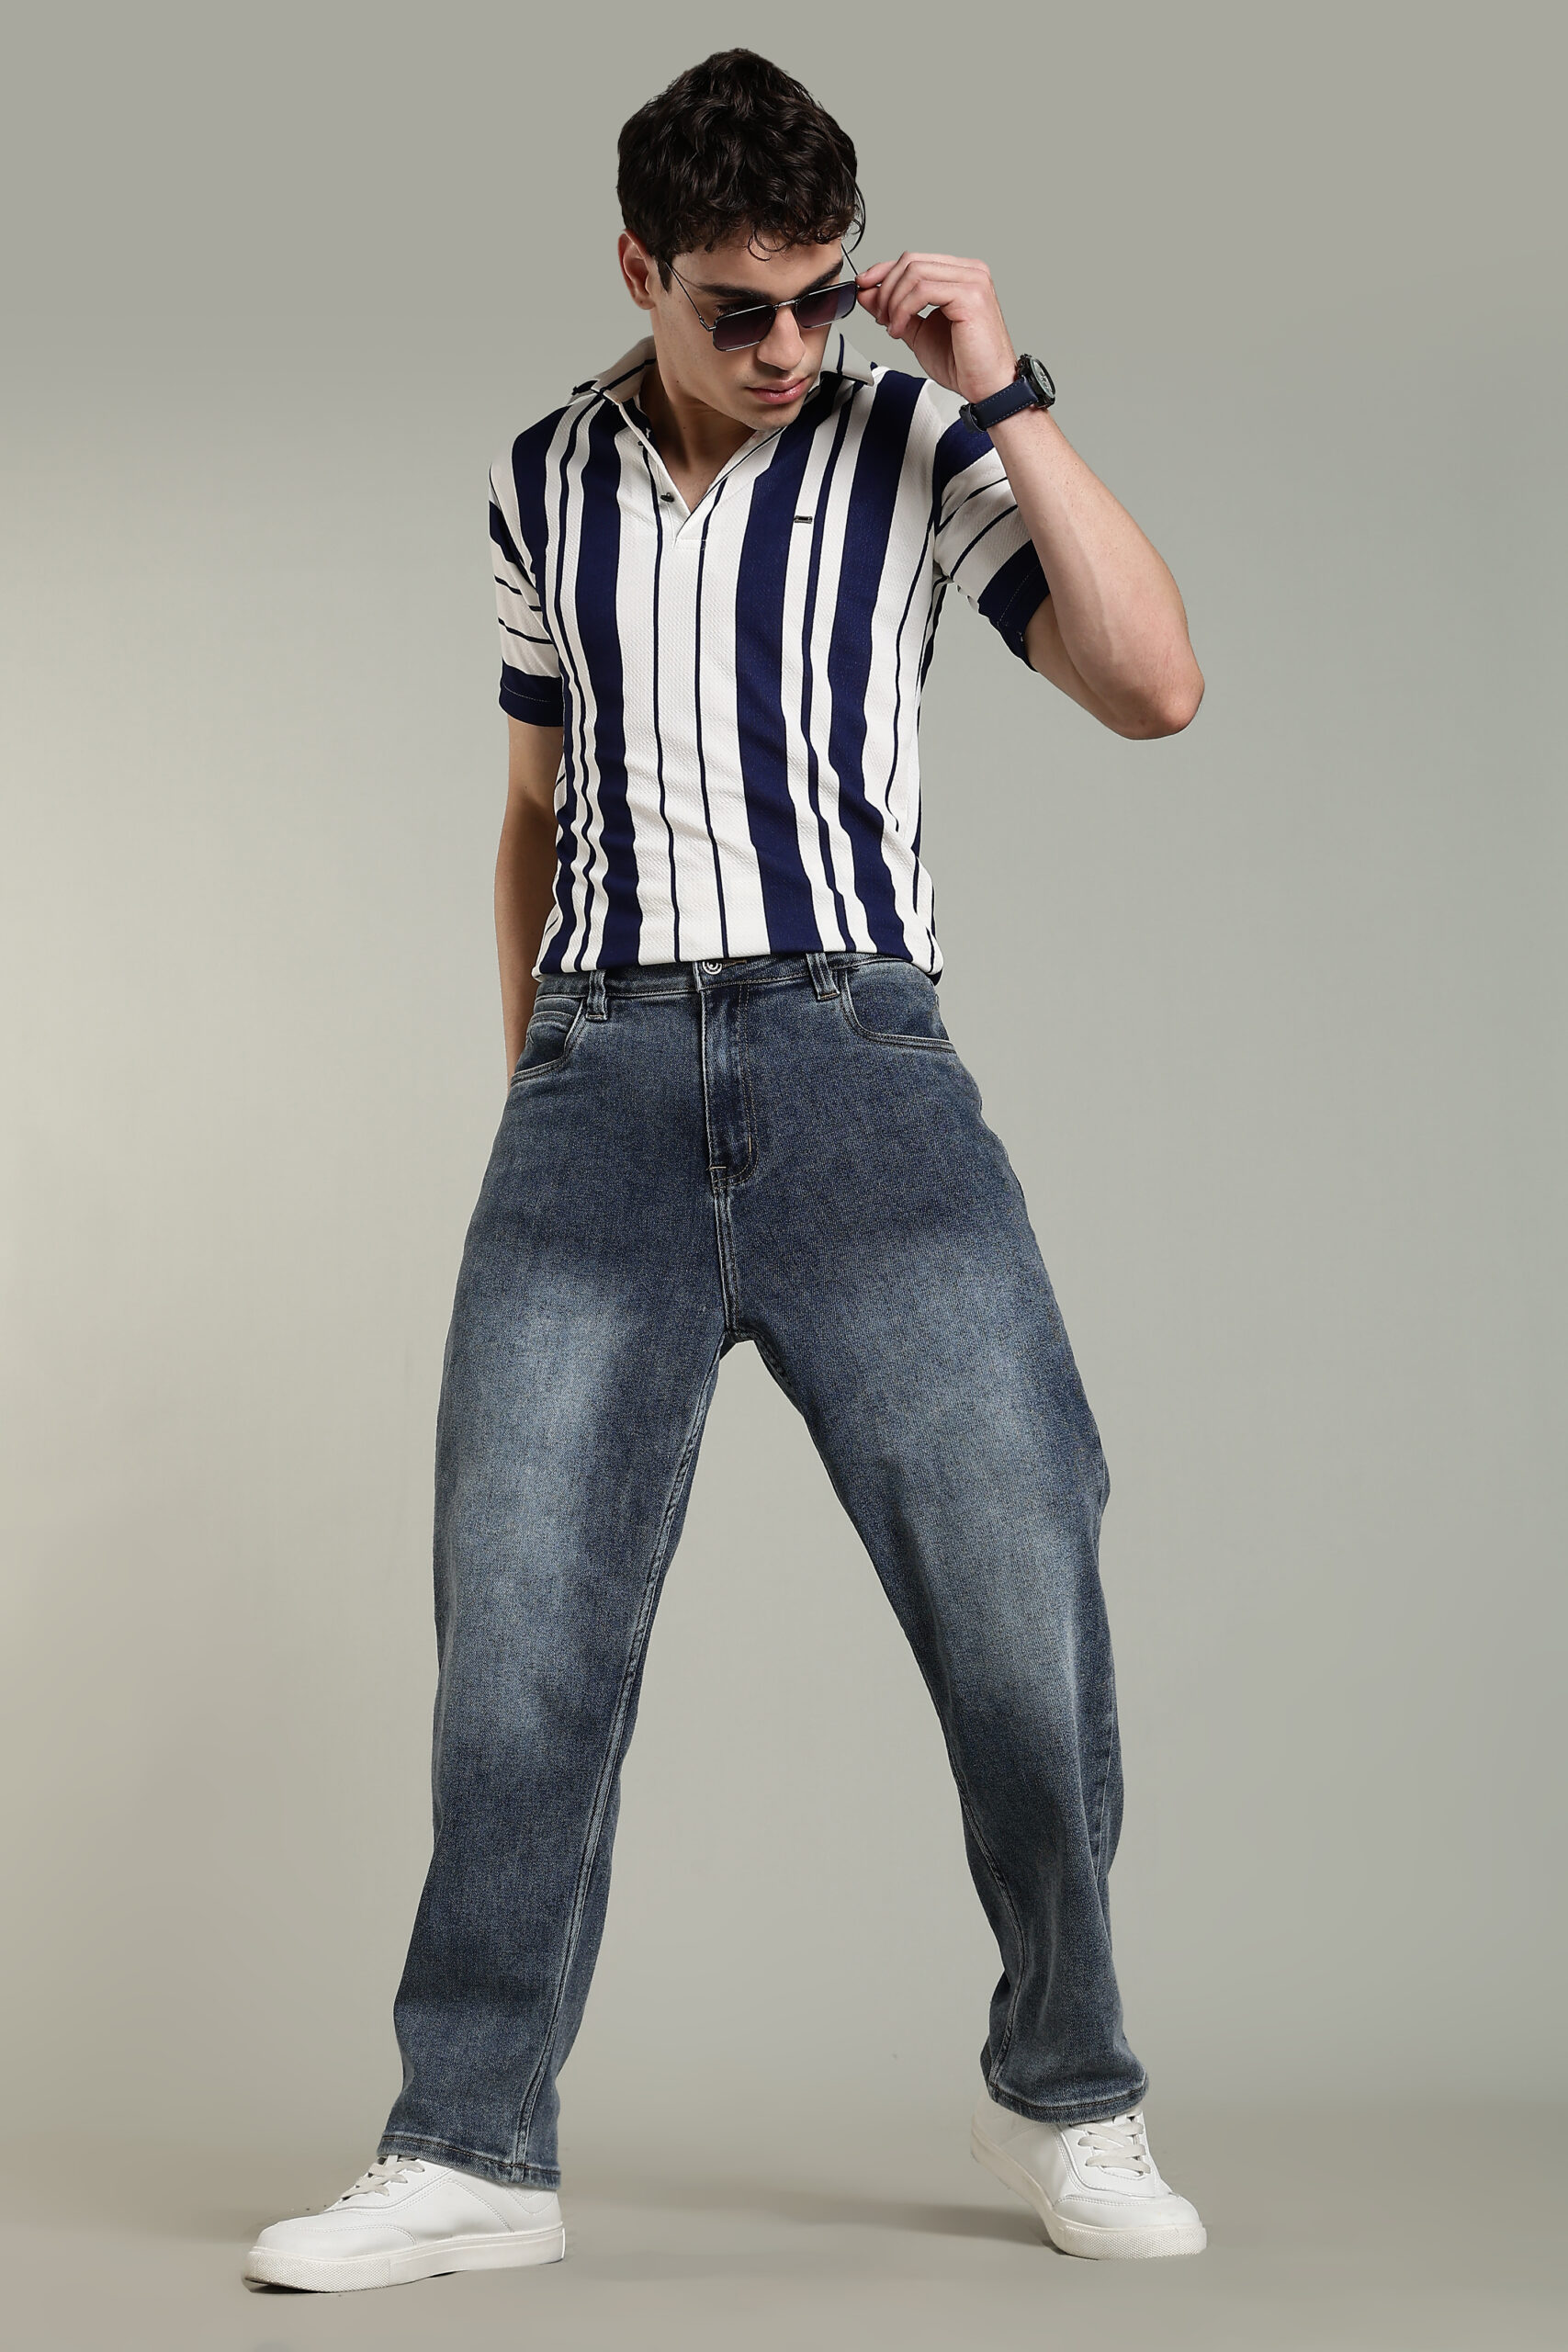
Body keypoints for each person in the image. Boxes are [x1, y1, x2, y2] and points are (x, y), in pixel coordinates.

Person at [243, 48, 1207, 2294]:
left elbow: (1152, 685)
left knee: (1019, 1591)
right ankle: (471, 2142)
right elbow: (528, 808)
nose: (785, 349)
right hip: (593, 1082)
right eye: (734, 309)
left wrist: (1000, 386)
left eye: (815, 302)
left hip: (857, 1061)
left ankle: (1068, 2085)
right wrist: (538, 1084)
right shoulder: (537, 479)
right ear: (636, 272)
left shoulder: (907, 444)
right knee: (515, 1640)